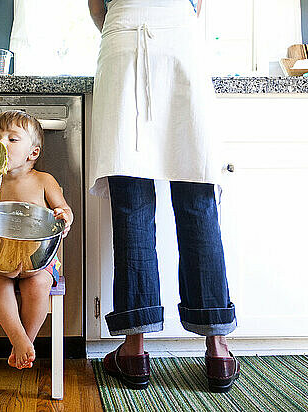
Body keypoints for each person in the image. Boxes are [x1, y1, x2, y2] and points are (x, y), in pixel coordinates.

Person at [87, 0, 240, 393]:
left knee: (132, 205)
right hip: (179, 40)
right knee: (197, 201)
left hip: (122, 40)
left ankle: (134, 349)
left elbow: (95, 5)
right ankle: (218, 349)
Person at [0, 110, 74, 370]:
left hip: (38, 260)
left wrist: (62, 217)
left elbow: (65, 210)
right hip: (1, 259)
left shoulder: (44, 181)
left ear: (32, 153)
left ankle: (26, 340)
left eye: (12, 139)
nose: (1, 144)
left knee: (39, 284)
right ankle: (18, 337)